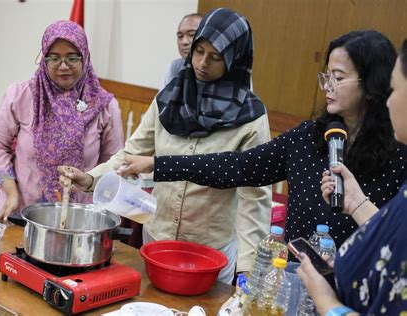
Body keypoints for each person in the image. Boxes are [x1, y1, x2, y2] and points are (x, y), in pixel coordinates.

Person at [117, 30, 407, 249]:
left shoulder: (399, 156)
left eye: (339, 77)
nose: (328, 87)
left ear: (372, 84)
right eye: (326, 76)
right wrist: (157, 165)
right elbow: (237, 166)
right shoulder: (308, 137)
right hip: (295, 278)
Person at [59, 8, 272, 284]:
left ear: (234, 59)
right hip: (157, 239)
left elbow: (254, 198)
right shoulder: (169, 98)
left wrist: (248, 268)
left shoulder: (250, 117)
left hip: (210, 251)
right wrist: (90, 179)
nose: (202, 63)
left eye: (216, 57)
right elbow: (131, 154)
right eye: (199, 51)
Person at [296, 38, 407, 316]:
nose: (389, 99)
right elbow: (391, 240)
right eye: (327, 76)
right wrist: (357, 204)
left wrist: (328, 303)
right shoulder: (311, 135)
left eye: (394, 89)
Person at [0, 20, 124, 225]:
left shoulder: (105, 106)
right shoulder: (21, 94)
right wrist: (10, 191)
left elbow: (113, 163)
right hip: (21, 209)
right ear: (43, 59)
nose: (63, 66)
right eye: (54, 58)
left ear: (85, 57)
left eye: (72, 58)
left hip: (80, 218)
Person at [160, 13, 202, 89]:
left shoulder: (215, 69)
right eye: (180, 36)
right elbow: (161, 100)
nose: (184, 41)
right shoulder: (174, 67)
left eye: (192, 34)